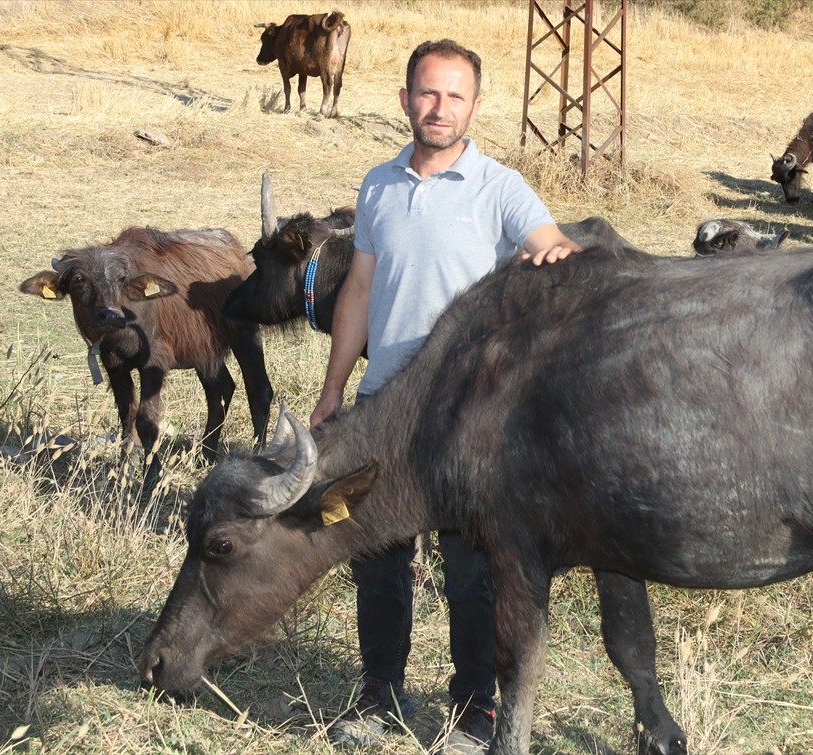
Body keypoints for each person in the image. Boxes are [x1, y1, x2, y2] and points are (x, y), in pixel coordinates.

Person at [312, 39, 581, 753]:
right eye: (427, 93)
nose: (439, 107)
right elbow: (360, 290)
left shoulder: (499, 185)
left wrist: (550, 251)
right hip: (382, 406)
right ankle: (379, 693)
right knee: (375, 561)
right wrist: (334, 387)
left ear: (475, 106)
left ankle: (472, 711)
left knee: (470, 572)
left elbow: (551, 241)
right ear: (404, 100)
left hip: (466, 415)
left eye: (454, 95)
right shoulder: (377, 184)